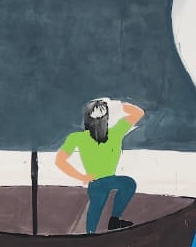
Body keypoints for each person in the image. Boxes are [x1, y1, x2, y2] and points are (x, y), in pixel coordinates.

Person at [54, 98, 145, 234]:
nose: (98, 122)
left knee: (128, 184)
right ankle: (92, 233)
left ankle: (113, 221)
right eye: (96, 118)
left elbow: (138, 113)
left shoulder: (115, 132)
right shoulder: (78, 137)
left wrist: (117, 105)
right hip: (96, 181)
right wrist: (82, 177)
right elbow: (60, 160)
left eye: (100, 117)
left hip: (107, 179)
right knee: (96, 208)